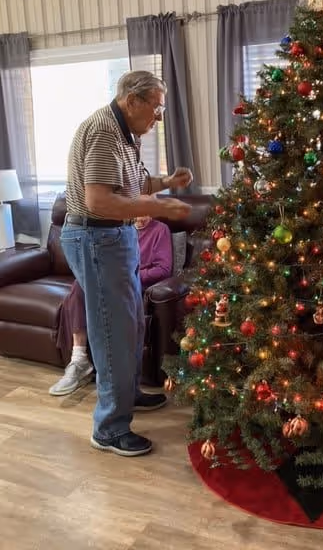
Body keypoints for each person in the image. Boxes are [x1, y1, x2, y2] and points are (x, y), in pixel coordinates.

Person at [60, 70, 192, 457]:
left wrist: (167, 183)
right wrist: (158, 206)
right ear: (132, 101)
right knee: (112, 332)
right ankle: (109, 429)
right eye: (156, 107)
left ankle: (127, 395)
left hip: (115, 237)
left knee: (131, 322)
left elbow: (132, 185)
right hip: (96, 237)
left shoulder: (125, 134)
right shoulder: (102, 132)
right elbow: (99, 201)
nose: (159, 116)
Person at [49, 215, 173, 396]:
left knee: (88, 287)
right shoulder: (117, 227)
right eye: (135, 211)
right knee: (79, 287)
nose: (141, 216)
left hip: (133, 281)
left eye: (146, 210)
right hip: (110, 279)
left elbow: (163, 268)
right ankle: (79, 358)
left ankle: (116, 386)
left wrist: (129, 275)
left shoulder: (160, 230)